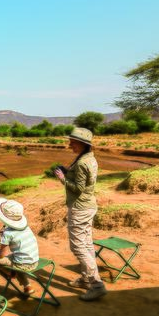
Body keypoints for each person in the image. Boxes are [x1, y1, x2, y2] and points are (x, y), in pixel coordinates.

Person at [54, 127, 107, 301]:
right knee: (86, 243)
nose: (70, 145)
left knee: (77, 246)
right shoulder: (88, 158)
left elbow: (78, 189)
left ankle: (96, 284)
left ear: (82, 144)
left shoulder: (83, 162)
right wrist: (67, 172)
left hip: (80, 208)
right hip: (87, 206)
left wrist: (62, 178)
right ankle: (86, 278)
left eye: (72, 142)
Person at [0, 198, 39, 294]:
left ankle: (10, 272)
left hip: (21, 264)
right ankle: (27, 286)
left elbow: (1, 255)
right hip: (34, 261)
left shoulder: (8, 233)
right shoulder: (25, 227)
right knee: (16, 258)